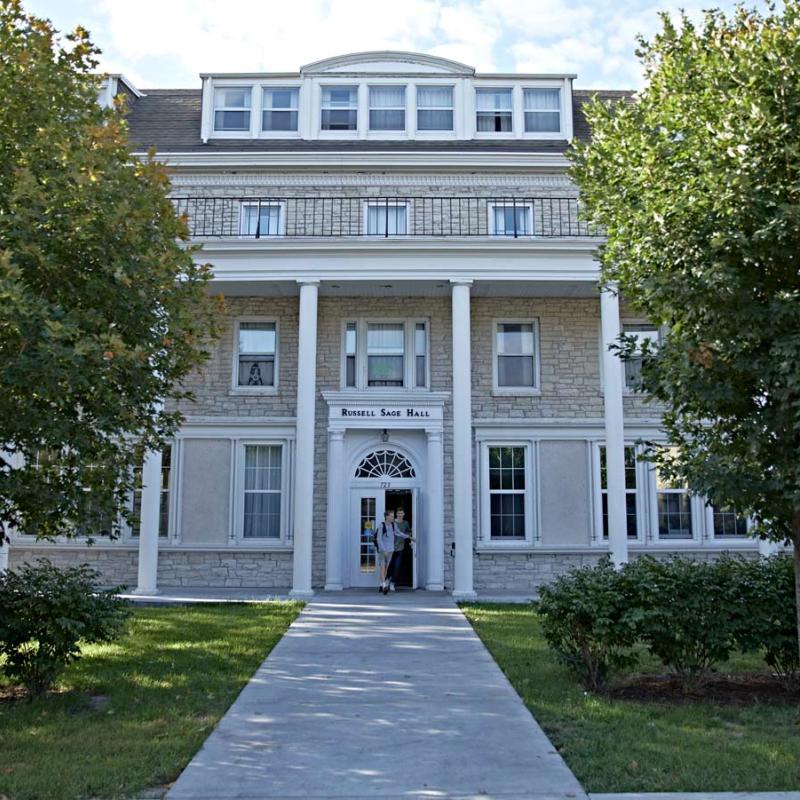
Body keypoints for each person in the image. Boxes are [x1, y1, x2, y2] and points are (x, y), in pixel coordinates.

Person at [387, 506, 412, 592]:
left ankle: (392, 583)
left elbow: (409, 532)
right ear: (396, 514)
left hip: (400, 548)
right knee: (390, 566)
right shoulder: (393, 523)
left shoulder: (406, 523)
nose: (400, 515)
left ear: (404, 514)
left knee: (397, 566)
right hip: (391, 548)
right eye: (398, 513)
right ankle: (387, 579)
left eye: (402, 513)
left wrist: (410, 538)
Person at [375, 510, 395, 595]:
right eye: (391, 516)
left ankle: (381, 585)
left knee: (386, 568)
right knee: (382, 567)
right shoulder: (381, 526)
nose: (392, 518)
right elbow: (379, 539)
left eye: (393, 516)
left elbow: (398, 533)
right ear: (387, 516)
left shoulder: (393, 525)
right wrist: (384, 550)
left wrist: (408, 536)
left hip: (390, 550)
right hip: (382, 551)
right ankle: (384, 586)